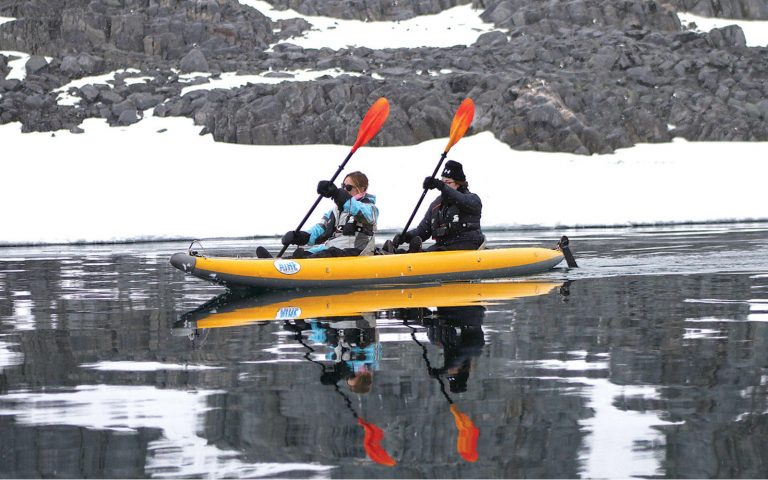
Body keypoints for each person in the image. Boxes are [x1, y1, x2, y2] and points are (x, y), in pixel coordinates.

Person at [257, 171, 378, 259]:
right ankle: (277, 263)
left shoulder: (370, 208)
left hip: (356, 253)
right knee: (306, 254)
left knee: (326, 254)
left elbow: (361, 212)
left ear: (362, 189)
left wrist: (337, 194)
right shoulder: (335, 212)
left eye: (348, 187)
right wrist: (301, 236)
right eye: (342, 186)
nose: (344, 190)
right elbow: (319, 230)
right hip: (334, 250)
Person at [391, 160, 483, 253]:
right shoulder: (436, 204)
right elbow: (423, 230)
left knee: (431, 252)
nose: (445, 185)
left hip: (465, 245)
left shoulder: (472, 200)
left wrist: (441, 186)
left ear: (458, 183)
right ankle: (394, 254)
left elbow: (461, 199)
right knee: (427, 252)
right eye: (443, 182)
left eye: (448, 182)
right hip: (443, 247)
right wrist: (406, 236)